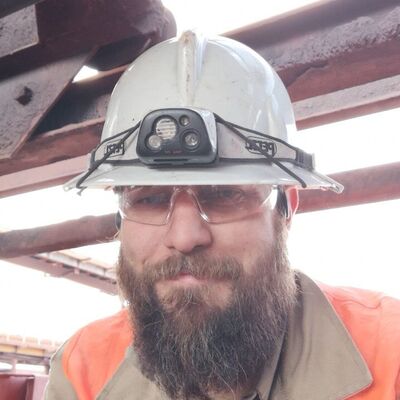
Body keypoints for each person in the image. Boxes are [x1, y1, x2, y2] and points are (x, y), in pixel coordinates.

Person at [45, 31, 400, 400]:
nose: (184, 237)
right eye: (149, 198)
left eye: (225, 195)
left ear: (286, 208)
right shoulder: (83, 370)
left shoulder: (390, 354)